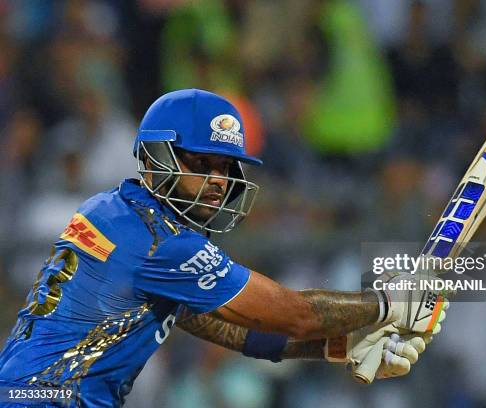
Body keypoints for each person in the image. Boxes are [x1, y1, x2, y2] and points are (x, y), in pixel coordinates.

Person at [0, 89, 448, 407]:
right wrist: (389, 303)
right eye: (201, 162)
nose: (218, 180)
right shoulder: (160, 243)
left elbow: (231, 331)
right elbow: (294, 314)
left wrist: (339, 345)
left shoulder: (114, 210)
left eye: (226, 166)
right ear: (157, 157)